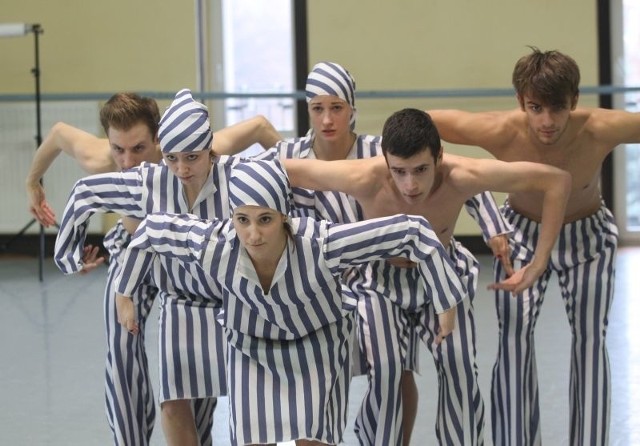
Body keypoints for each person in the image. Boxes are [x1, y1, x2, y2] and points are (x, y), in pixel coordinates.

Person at [113, 158, 468, 446]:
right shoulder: (216, 245)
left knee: (312, 440)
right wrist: (124, 292)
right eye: (242, 220)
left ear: (284, 215)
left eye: (265, 220)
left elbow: (412, 231)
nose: (253, 234)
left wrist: (445, 300)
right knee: (252, 440)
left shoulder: (322, 244)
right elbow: (150, 230)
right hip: (250, 347)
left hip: (318, 345)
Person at [283, 108, 571, 445]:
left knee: (460, 368)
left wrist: (538, 263)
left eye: (421, 170)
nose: (411, 184)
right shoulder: (363, 176)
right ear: (386, 162)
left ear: (439, 156)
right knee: (387, 371)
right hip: (380, 281)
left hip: (443, 275)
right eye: (399, 172)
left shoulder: (463, 175)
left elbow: (557, 181)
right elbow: (282, 172)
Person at [259, 61, 512, 446]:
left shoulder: (384, 149)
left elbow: (458, 177)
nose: (327, 119)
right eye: (317, 108)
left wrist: (494, 226)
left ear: (352, 108)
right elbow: (251, 181)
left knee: (452, 367)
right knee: (385, 371)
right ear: (307, 109)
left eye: (337, 107)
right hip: (345, 284)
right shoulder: (290, 153)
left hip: (409, 270)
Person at [427, 47, 640, 446]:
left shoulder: (599, 128)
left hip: (588, 237)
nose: (546, 121)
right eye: (535, 107)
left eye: (557, 108)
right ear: (520, 102)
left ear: (574, 101)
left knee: (591, 340)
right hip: (522, 235)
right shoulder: (501, 130)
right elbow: (423, 123)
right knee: (514, 337)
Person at [52, 89, 279, 446]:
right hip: (173, 296)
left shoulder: (237, 174)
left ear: (211, 150)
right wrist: (69, 256)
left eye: (192, 157)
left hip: (227, 302)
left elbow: (291, 175)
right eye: (172, 158)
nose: (182, 169)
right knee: (168, 396)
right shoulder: (148, 180)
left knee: (239, 399)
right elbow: (84, 192)